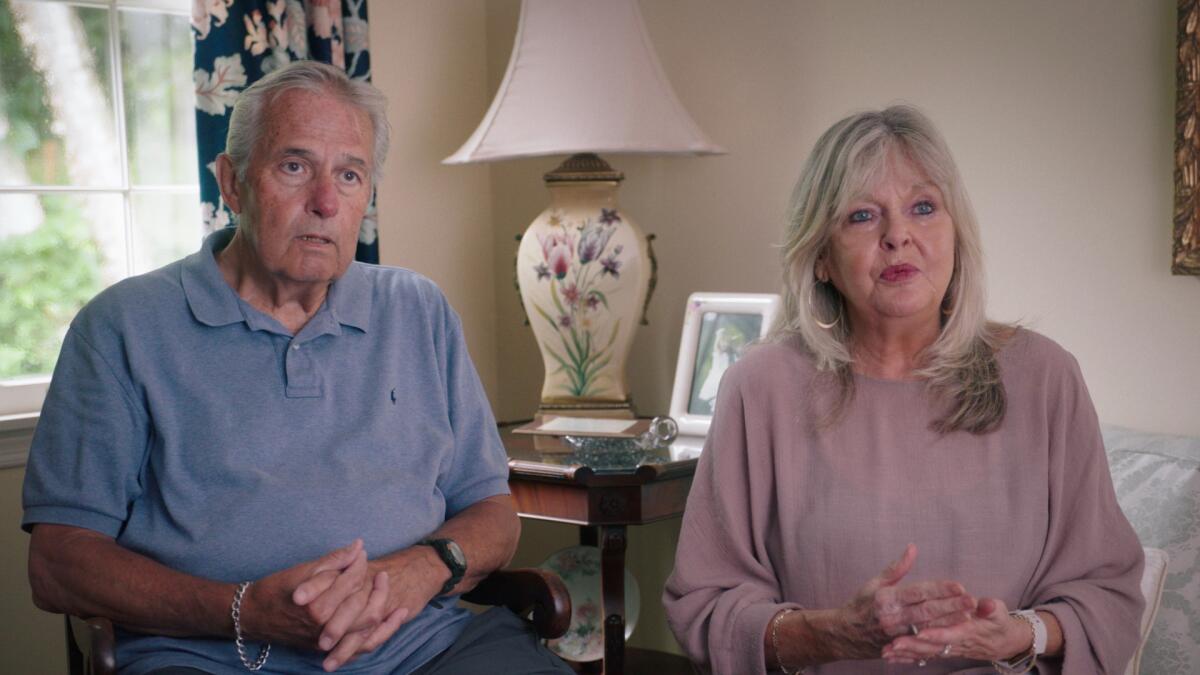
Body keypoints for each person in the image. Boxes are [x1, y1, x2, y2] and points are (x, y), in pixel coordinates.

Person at [22, 60, 571, 675]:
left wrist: (428, 566)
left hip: (426, 652)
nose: (325, 202)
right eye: (294, 166)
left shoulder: (419, 311)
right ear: (232, 183)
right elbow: (58, 563)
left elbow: (493, 512)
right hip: (210, 659)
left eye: (350, 173)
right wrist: (245, 609)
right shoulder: (122, 327)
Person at [662, 106, 1144, 674]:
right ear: (820, 258)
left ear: (956, 232)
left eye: (923, 207)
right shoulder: (760, 388)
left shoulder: (1044, 378)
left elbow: (1108, 596)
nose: (899, 236)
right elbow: (704, 604)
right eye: (863, 216)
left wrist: (1017, 634)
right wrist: (831, 636)